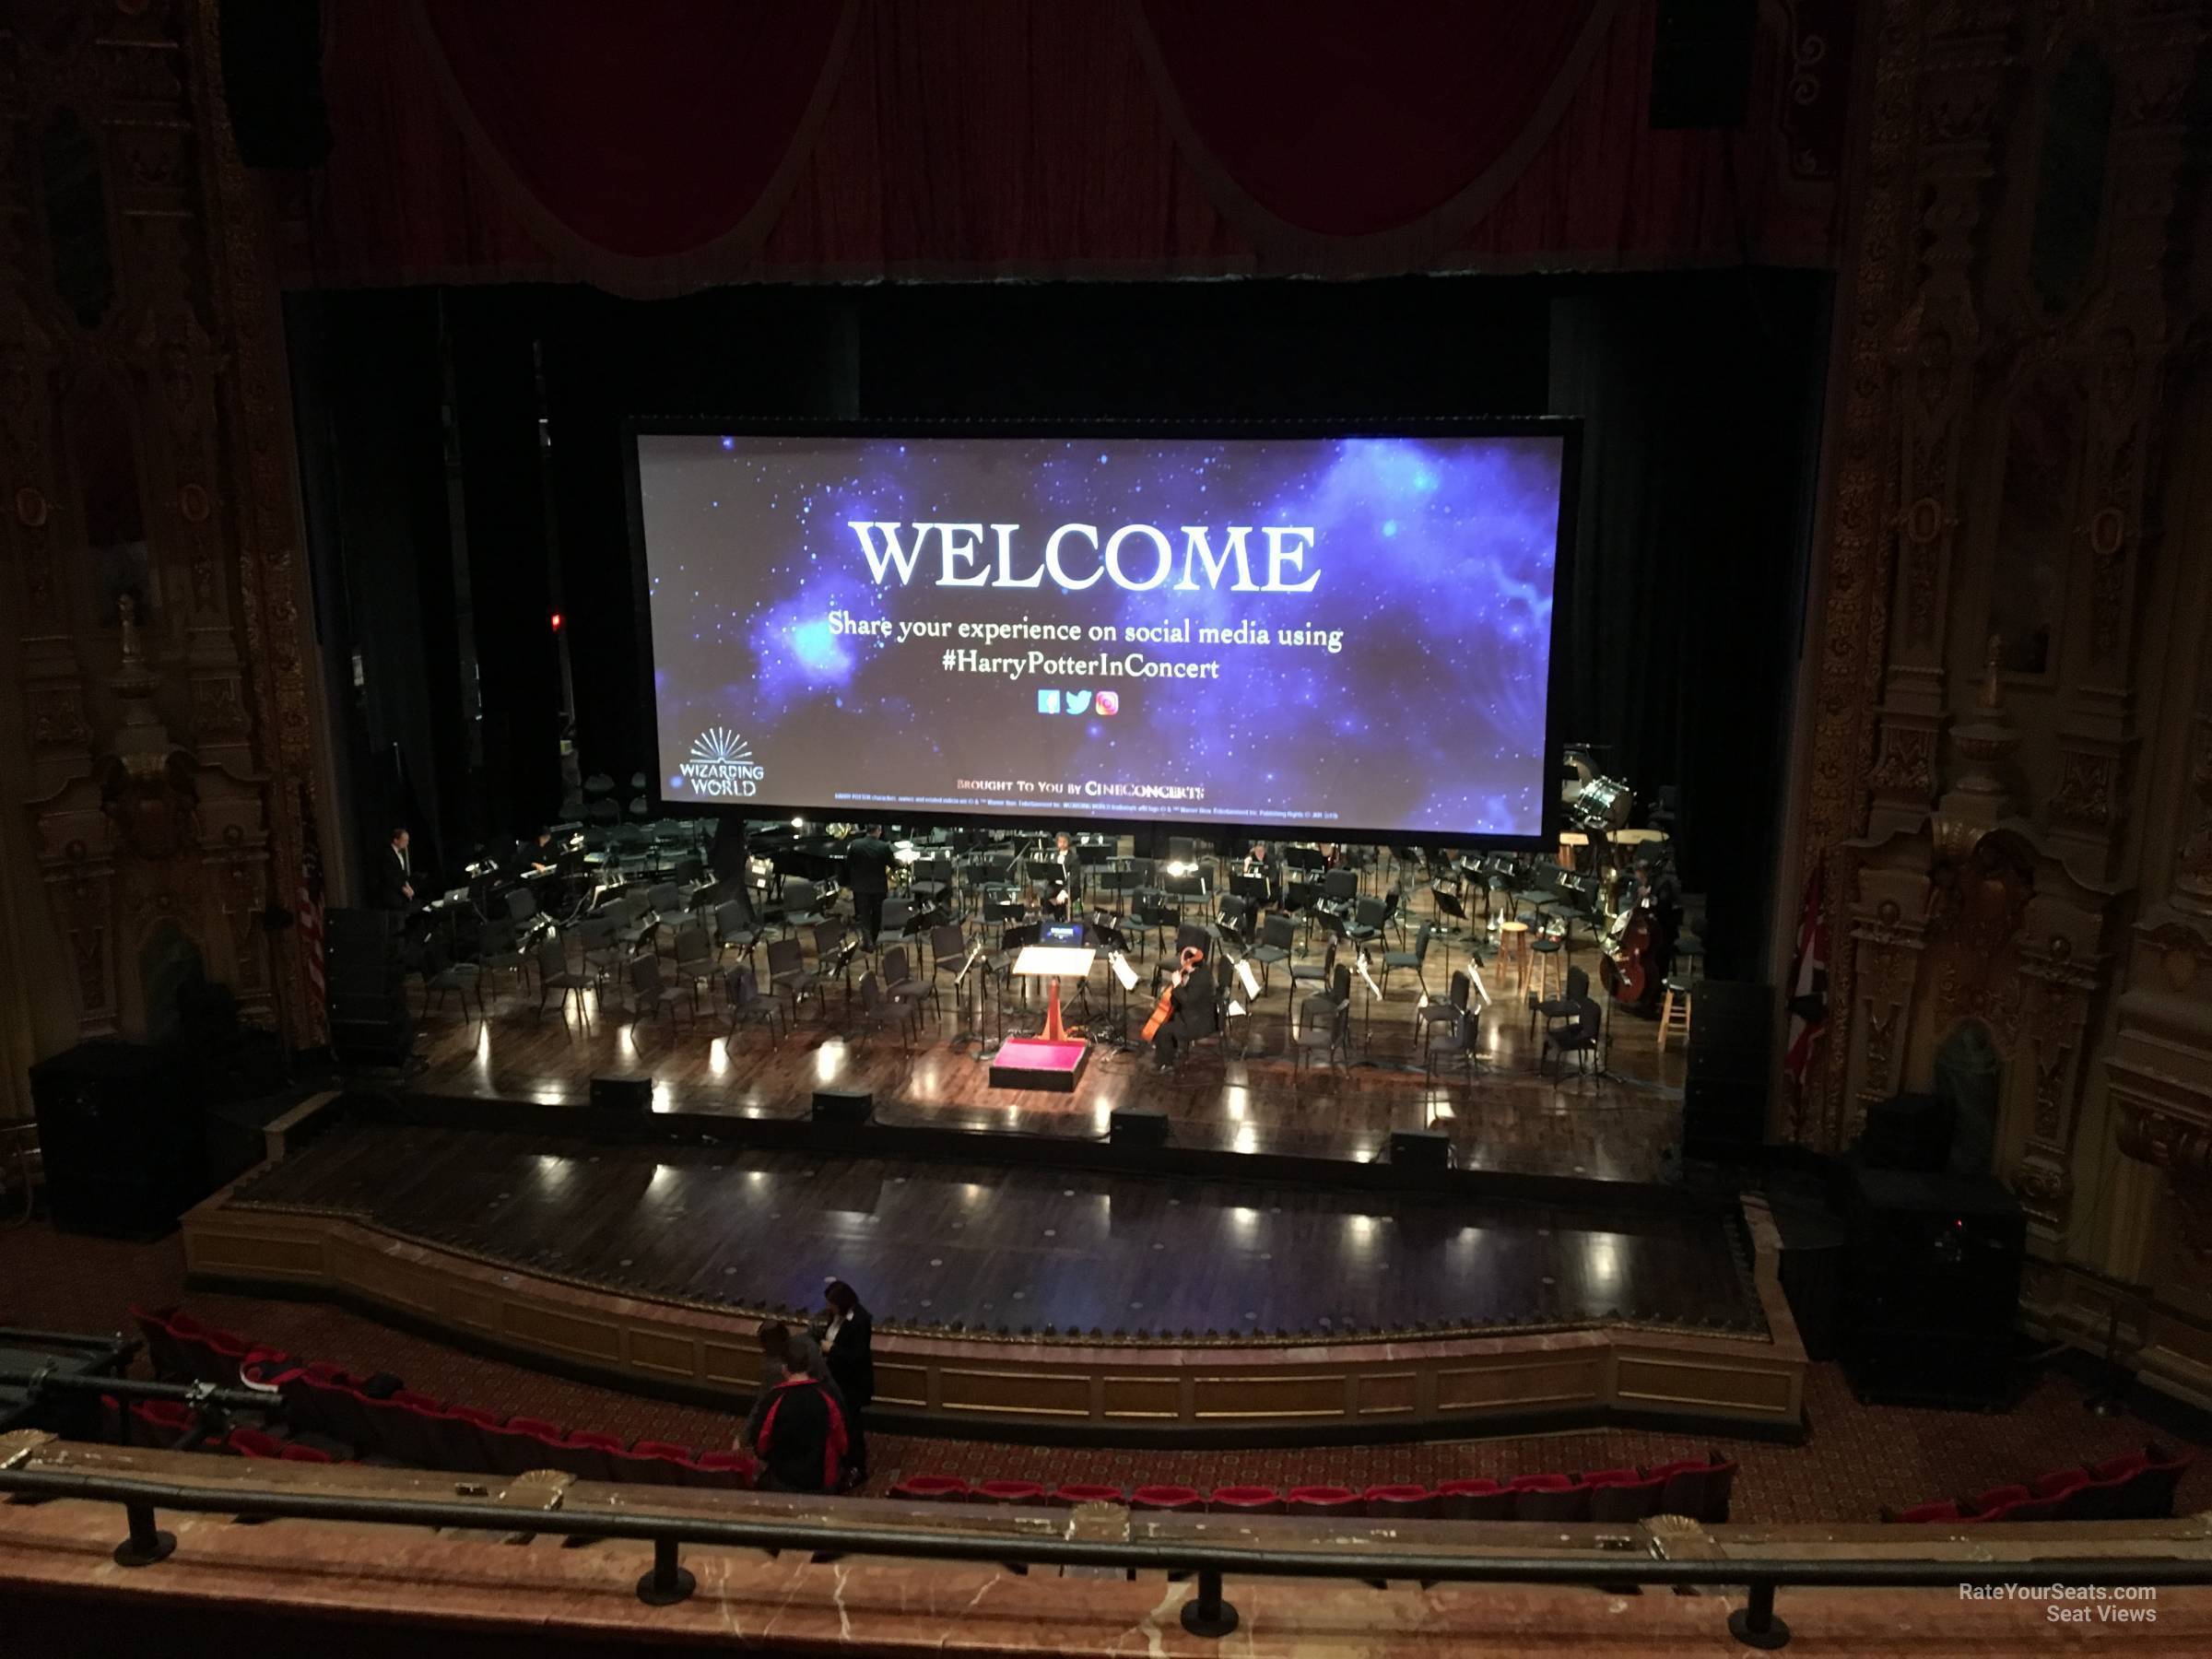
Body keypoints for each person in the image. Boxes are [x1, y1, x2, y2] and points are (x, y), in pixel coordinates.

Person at [749, 1348, 849, 1494]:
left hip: (783, 1477)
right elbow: (842, 1439)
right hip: (820, 1477)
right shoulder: (827, 1395)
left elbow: (761, 1441)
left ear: (784, 1368)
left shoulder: (775, 1398)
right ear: (809, 1367)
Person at [738, 1320, 841, 1452]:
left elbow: (762, 1401)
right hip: (823, 1406)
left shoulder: (774, 1368)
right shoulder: (806, 1344)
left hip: (794, 1418)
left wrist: (744, 1437)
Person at [818, 1279, 875, 1485]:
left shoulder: (860, 1321)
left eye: (831, 1303)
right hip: (835, 1380)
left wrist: (830, 1349)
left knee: (852, 1424)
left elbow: (857, 1356)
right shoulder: (835, 1316)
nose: (828, 1307)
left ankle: (857, 1467)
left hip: (852, 1384)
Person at [1149, 944, 1217, 1071]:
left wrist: (1177, 985)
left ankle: (1165, 1064)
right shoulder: (1202, 971)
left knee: (1162, 1029)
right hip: (1197, 1015)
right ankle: (1171, 1051)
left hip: (1197, 1024)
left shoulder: (1199, 981)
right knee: (1168, 1018)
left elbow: (1187, 1001)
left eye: (1182, 959)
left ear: (1188, 962)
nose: (1180, 962)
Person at [844, 825, 893, 947]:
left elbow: (848, 865)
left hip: (860, 887)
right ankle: (874, 939)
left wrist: (846, 883)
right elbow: (892, 863)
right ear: (877, 831)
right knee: (877, 915)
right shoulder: (884, 846)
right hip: (878, 888)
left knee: (863, 915)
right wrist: (903, 863)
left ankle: (868, 941)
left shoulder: (855, 844)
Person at [375, 827, 417, 911]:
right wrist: (404, 889)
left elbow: (401, 874)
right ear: (396, 840)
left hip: (399, 893)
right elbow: (389, 876)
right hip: (391, 895)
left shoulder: (400, 854)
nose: (407, 843)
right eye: (404, 840)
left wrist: (408, 887)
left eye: (407, 840)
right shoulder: (387, 854)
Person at [1045, 831, 1082, 922]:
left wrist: (1064, 891)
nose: (1062, 844)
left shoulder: (1074, 858)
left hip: (1070, 886)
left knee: (1061, 897)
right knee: (1046, 895)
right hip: (1055, 885)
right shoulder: (1053, 856)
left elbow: (1074, 878)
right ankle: (1053, 918)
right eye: (1060, 841)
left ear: (1068, 842)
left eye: (1064, 841)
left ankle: (1064, 918)